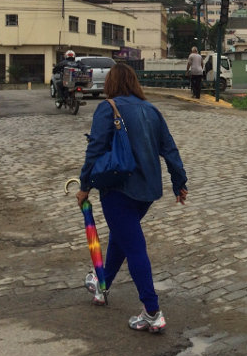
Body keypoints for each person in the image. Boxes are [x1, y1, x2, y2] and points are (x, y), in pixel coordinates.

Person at [76, 63, 188, 333]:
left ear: (111, 83)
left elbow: (95, 149)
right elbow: (169, 148)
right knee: (122, 237)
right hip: (146, 192)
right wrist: (179, 182)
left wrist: (84, 186)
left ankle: (152, 312)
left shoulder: (108, 108)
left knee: (134, 246)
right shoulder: (151, 110)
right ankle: (102, 286)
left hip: (118, 188)